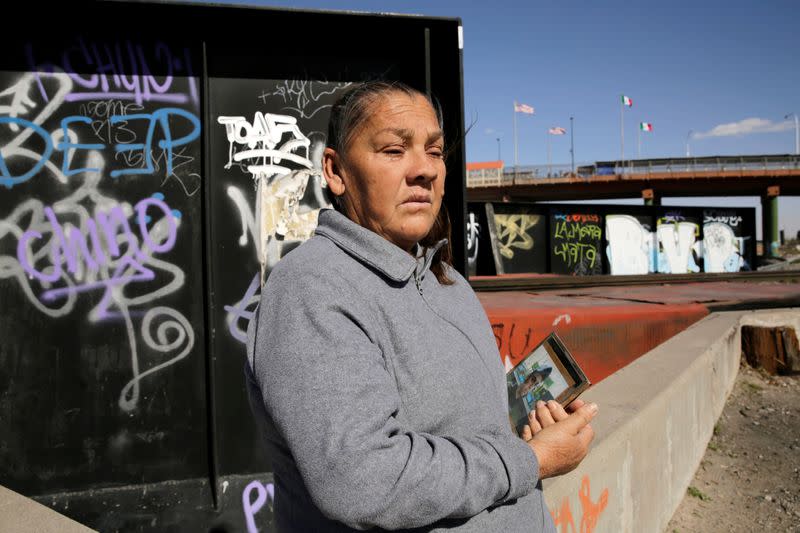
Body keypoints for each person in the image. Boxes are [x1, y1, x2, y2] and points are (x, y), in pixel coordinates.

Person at [245, 80, 597, 532]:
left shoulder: (448, 282)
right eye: (394, 150)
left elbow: (473, 425)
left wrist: (527, 423)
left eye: (434, 152)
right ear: (335, 171)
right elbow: (365, 479)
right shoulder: (311, 288)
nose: (424, 171)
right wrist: (531, 458)